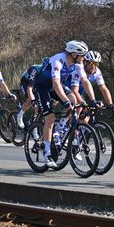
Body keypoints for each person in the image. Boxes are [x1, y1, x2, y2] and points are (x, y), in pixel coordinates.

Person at [33, 40, 88, 168]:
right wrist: (65, 101)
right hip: (42, 87)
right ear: (74, 54)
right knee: (50, 118)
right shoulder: (58, 60)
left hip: (55, 86)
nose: (84, 58)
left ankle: (61, 127)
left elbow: (85, 81)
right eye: (83, 55)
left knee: (73, 99)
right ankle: (47, 154)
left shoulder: (77, 64)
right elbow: (56, 83)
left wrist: (91, 101)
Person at [16, 58, 49, 128]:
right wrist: (33, 101)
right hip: (25, 82)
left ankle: (34, 127)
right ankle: (20, 115)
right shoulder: (35, 69)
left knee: (40, 107)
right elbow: (29, 88)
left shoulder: (49, 73)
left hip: (36, 85)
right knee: (31, 100)